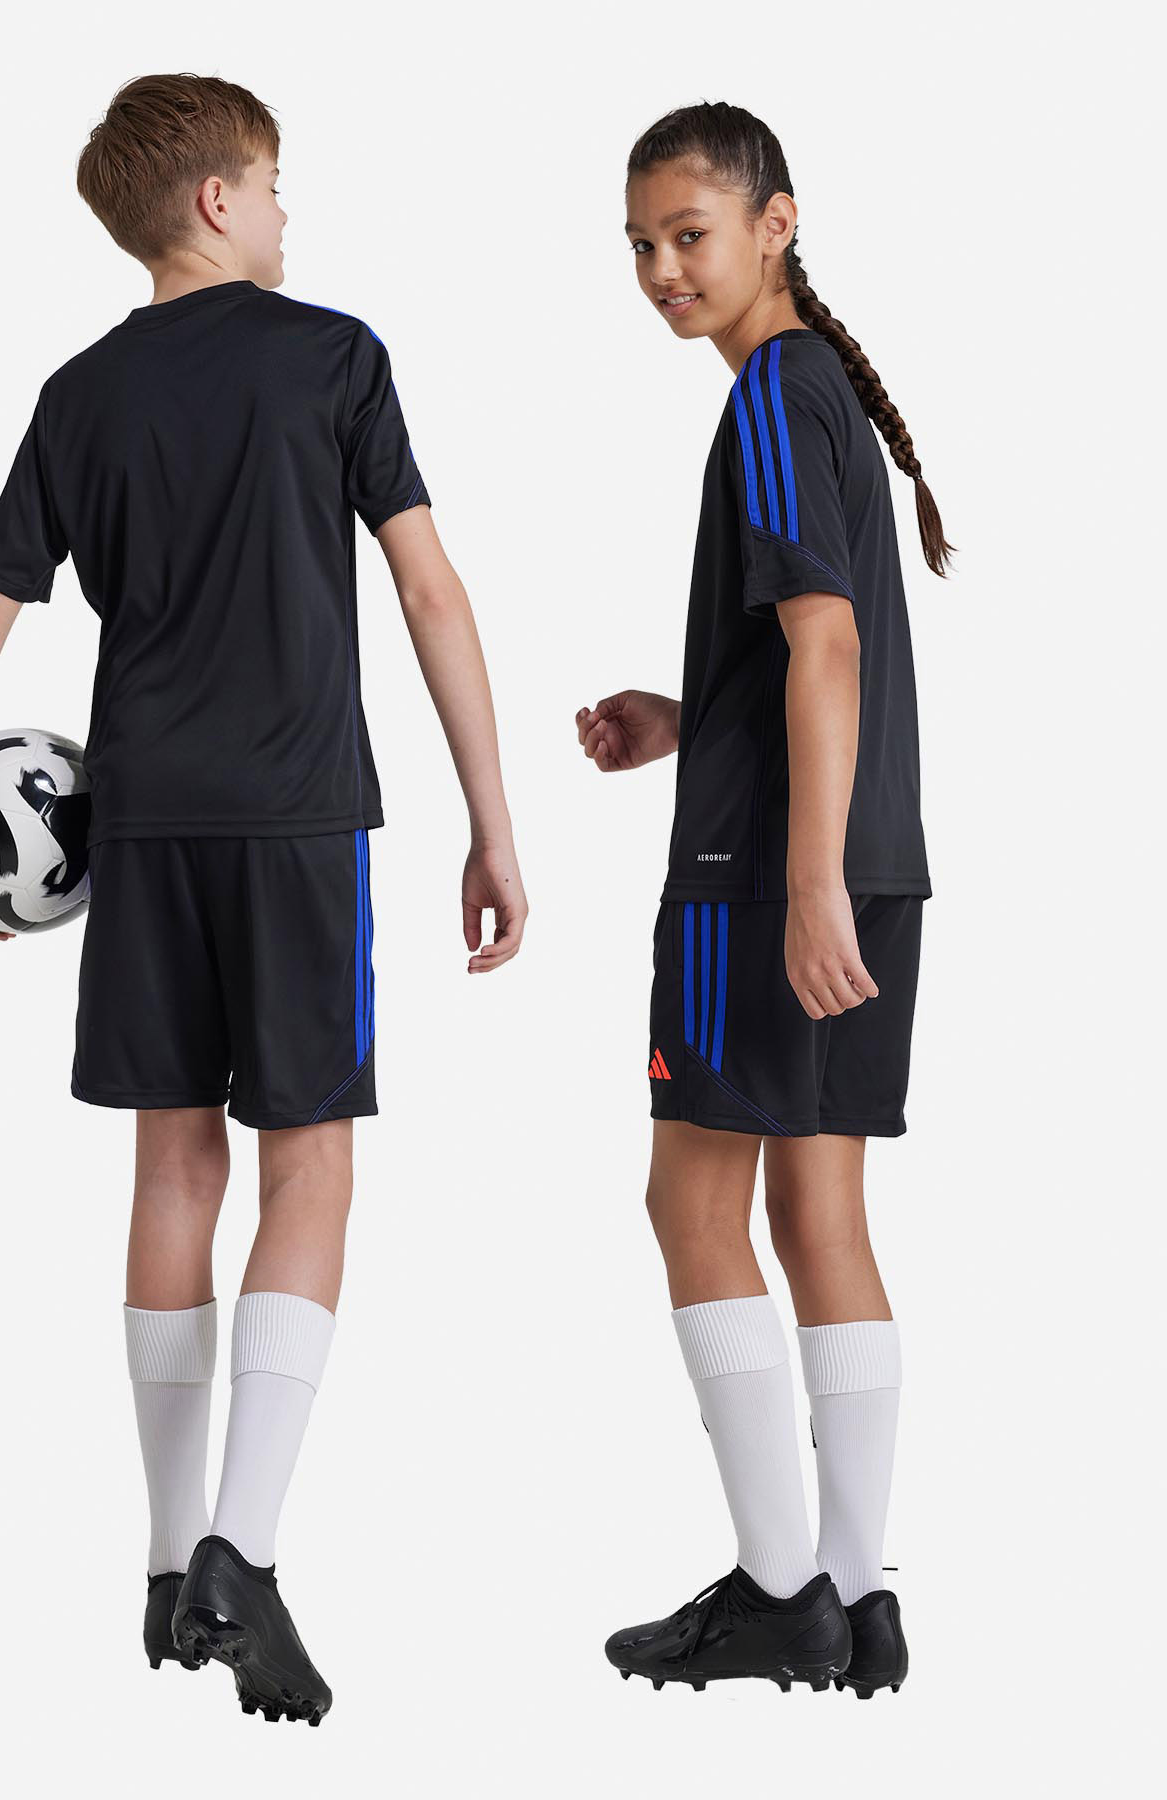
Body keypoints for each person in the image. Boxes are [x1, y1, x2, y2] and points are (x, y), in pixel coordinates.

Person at [0, 73, 526, 1727]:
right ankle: (244, 1549)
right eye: (279, 183)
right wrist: (492, 820)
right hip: (300, 822)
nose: (292, 212)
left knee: (172, 1161)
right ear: (221, 201)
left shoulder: (78, 394)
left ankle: (171, 1571)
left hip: (147, 828)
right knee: (310, 1161)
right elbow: (430, 591)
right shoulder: (334, 356)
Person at [578, 101, 944, 1697]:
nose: (664, 268)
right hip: (872, 861)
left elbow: (830, 645)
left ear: (775, 226)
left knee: (693, 1206)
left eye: (691, 234)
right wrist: (689, 717)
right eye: (640, 245)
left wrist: (800, 887)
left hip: (771, 884)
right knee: (820, 1214)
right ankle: (857, 1597)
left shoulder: (779, 391)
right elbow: (803, 651)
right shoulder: (812, 395)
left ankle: (782, 1588)